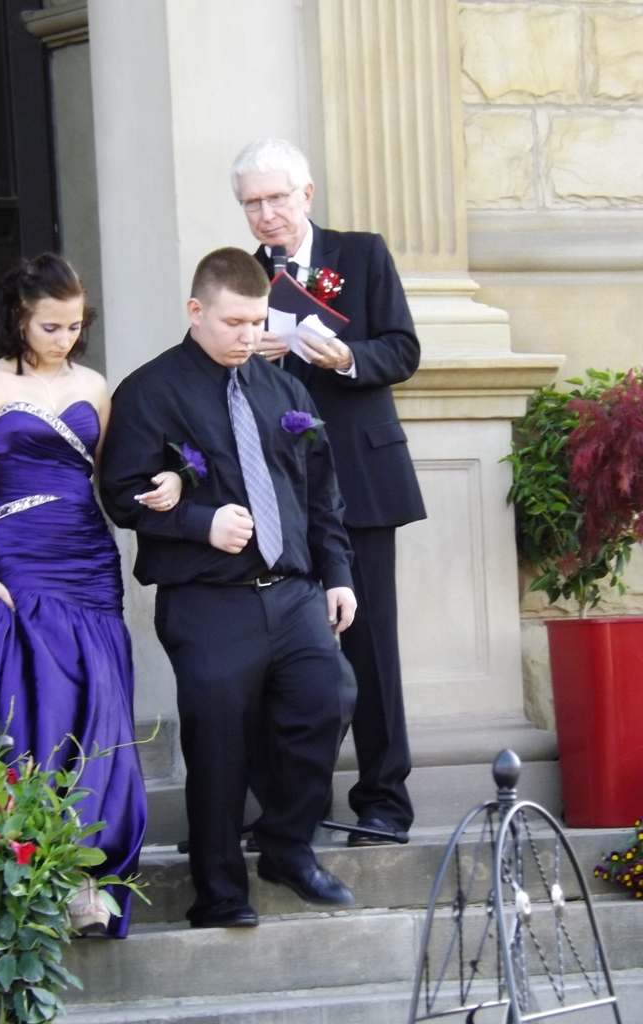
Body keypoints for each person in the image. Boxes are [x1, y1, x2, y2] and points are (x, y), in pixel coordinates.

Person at [100, 247, 357, 928]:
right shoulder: (149, 391)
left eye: (257, 321)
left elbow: (321, 491)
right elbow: (120, 493)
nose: (248, 336)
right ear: (196, 310)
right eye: (234, 322)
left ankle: (286, 845)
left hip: (294, 592)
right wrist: (198, 522)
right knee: (217, 742)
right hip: (207, 600)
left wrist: (337, 575)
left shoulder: (284, 390)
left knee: (330, 698)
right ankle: (218, 894)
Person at [0, 253, 181, 936]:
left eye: (74, 326)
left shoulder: (95, 386)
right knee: (29, 699)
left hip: (88, 557)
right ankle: (4, 855)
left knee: (99, 706)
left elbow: (114, 477)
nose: (65, 338)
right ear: (19, 317)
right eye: (50, 326)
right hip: (18, 553)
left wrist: (169, 482)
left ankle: (86, 878)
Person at [232, 138, 427, 846]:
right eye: (252, 203)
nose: (266, 214)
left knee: (370, 647)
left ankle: (384, 802)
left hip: (362, 481)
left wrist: (346, 356)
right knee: (281, 655)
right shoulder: (243, 279)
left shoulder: (361, 254)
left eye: (276, 198)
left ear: (306, 195)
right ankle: (290, 809)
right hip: (281, 493)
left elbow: (403, 348)